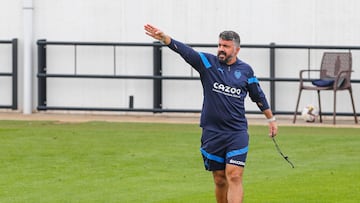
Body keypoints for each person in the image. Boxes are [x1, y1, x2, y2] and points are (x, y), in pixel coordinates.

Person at [144, 24, 278, 203]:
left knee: (235, 175)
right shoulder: (207, 63)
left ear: (237, 49)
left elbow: (258, 95)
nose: (221, 49)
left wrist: (271, 119)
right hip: (212, 132)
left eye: (226, 46)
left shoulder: (246, 71)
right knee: (220, 179)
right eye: (220, 45)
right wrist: (164, 38)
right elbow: (186, 51)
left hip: (236, 132)